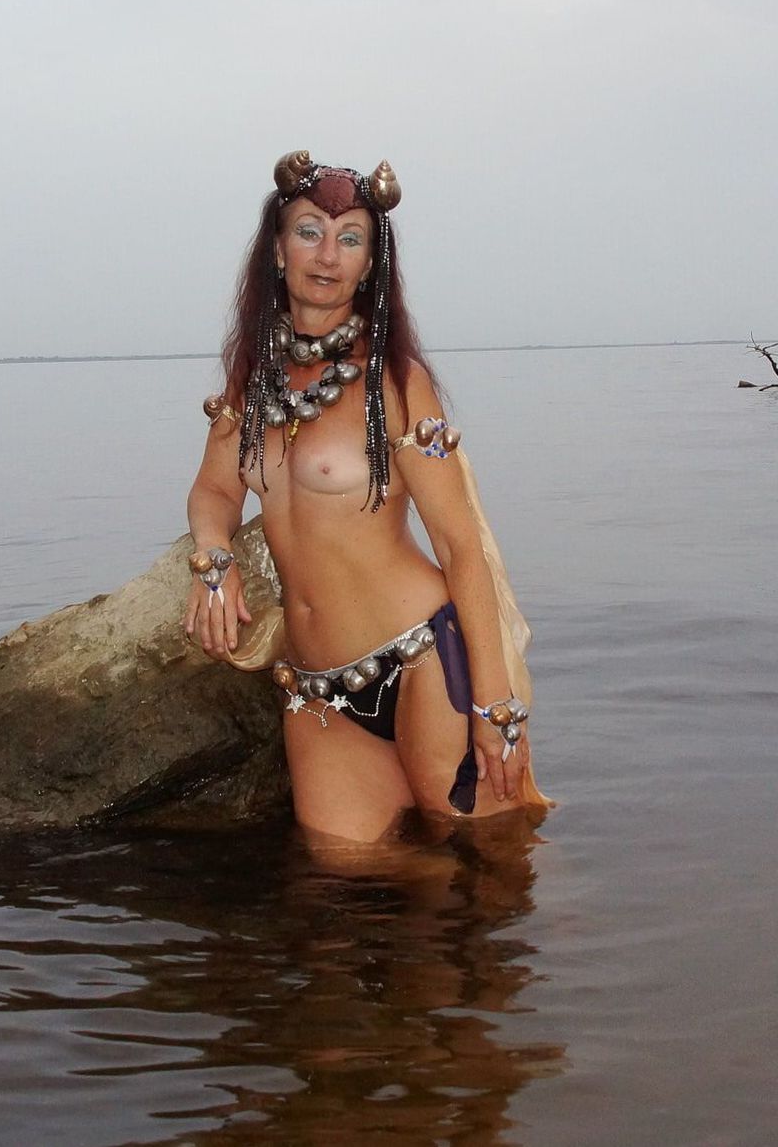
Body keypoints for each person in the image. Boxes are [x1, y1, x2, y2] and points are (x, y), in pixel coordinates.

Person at [183, 151, 549, 843]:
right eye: (309, 232)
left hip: (421, 662)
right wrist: (213, 558)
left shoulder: (398, 384)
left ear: (371, 264)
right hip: (315, 688)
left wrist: (495, 704)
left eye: (350, 239)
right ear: (278, 251)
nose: (328, 255)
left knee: (492, 861)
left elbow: (459, 545)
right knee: (344, 881)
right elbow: (215, 489)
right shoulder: (251, 382)